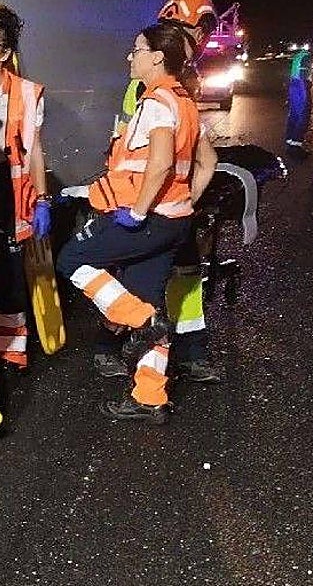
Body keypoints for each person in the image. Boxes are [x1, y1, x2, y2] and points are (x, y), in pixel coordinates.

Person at [56, 22, 213, 424]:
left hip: (148, 220)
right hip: (176, 221)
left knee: (72, 260)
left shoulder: (157, 101)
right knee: (147, 298)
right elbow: (207, 162)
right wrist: (185, 198)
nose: (131, 56)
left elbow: (159, 162)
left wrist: (140, 210)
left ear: (157, 58)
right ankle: (150, 397)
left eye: (137, 49)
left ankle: (142, 322)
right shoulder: (186, 102)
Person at [95, 0, 224, 384]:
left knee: (185, 273)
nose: (200, 40)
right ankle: (113, 347)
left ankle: (189, 347)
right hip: (145, 198)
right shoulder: (151, 85)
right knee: (131, 274)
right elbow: (138, 150)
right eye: (194, 31)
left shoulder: (186, 79)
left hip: (171, 200)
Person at [0, 7, 51, 369]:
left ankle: (8, 349)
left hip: (6, 185)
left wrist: (43, 199)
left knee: (7, 269)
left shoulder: (26, 92)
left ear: (5, 53)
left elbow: (34, 148)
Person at [284, 46, 312, 157]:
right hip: (301, 87)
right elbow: (303, 74)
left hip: (294, 85)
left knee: (294, 115)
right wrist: (307, 85)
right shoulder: (306, 56)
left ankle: (290, 142)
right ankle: (296, 146)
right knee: (303, 116)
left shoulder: (298, 56)